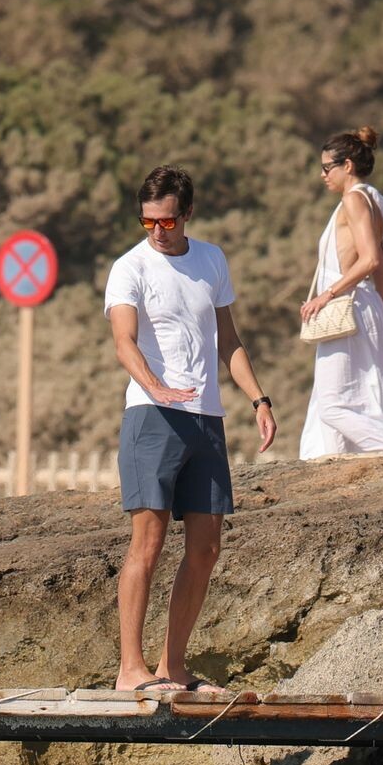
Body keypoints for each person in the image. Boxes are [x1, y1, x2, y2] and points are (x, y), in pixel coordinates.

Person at [107, 165, 276, 693]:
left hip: (206, 418)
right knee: (148, 543)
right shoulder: (129, 267)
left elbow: (229, 339)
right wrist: (155, 386)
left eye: (167, 221)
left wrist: (258, 399)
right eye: (147, 221)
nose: (157, 231)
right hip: (152, 415)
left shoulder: (211, 259)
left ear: (187, 214)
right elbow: (123, 341)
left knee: (206, 548)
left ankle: (172, 666)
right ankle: (130, 670)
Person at [297, 127, 383, 458]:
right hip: (367, 307)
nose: (322, 175)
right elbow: (381, 270)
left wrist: (326, 295)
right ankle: (337, 467)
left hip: (348, 307)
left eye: (327, 167)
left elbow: (370, 260)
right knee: (348, 399)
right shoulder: (373, 202)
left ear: (348, 165)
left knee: (332, 404)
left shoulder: (354, 200)